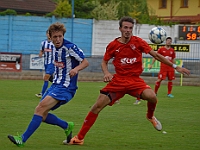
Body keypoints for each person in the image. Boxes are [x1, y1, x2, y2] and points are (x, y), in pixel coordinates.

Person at [68, 16, 190, 145]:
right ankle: (79, 138)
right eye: (125, 28)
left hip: (134, 81)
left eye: (130, 28)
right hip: (118, 82)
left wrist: (176, 66)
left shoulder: (138, 42)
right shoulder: (113, 45)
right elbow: (104, 61)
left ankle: (150, 116)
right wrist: (106, 73)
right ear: (120, 28)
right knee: (96, 107)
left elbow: (156, 55)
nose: (128, 30)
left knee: (152, 97)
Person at [7, 22, 89, 147]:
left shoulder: (69, 47)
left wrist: (76, 69)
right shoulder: (53, 48)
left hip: (66, 88)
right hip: (56, 85)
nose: (58, 39)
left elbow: (85, 62)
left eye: (60, 36)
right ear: (50, 37)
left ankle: (22, 139)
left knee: (39, 109)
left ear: (63, 36)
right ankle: (66, 126)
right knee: (42, 114)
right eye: (55, 37)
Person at [35, 30, 55, 98]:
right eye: (48, 34)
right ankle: (60, 87)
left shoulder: (55, 43)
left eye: (50, 34)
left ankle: (43, 94)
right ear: (46, 34)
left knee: (46, 77)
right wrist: (40, 54)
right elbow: (41, 51)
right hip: (46, 63)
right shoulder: (43, 43)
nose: (49, 35)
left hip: (52, 63)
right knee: (51, 79)